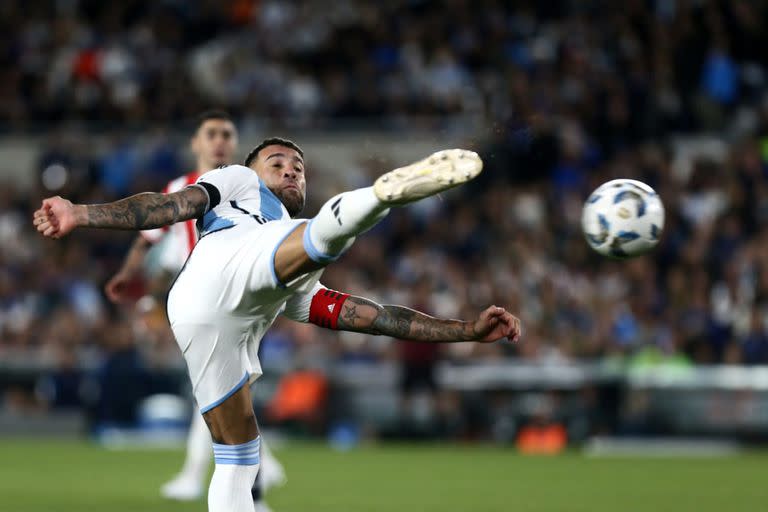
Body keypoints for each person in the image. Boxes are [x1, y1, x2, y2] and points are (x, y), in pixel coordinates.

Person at [34, 140, 522, 512]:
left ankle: (371, 203)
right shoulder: (237, 184)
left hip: (203, 315)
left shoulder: (292, 270)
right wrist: (81, 212)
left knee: (238, 455)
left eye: (299, 168)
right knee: (319, 238)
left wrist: (464, 330)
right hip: (226, 263)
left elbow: (374, 317)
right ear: (251, 170)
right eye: (277, 163)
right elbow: (173, 206)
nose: (290, 169)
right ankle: (378, 196)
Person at [103, 111, 285, 510]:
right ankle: (254, 478)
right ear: (196, 143)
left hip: (242, 303)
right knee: (224, 394)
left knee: (224, 394)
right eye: (211, 134)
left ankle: (237, 479)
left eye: (226, 134)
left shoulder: (246, 186)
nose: (219, 140)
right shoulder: (181, 188)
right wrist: (128, 275)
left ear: (234, 144)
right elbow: (149, 238)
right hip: (200, 301)